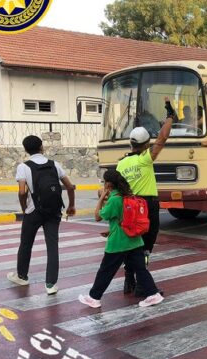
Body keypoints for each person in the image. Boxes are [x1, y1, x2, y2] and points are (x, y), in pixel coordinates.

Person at [78, 170, 163, 308]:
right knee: (141, 269)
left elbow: (98, 216)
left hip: (118, 243)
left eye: (104, 182)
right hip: (135, 240)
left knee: (106, 270)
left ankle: (94, 298)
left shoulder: (114, 199)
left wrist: (101, 197)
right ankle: (153, 294)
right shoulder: (128, 196)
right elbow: (123, 219)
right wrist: (110, 229)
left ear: (109, 185)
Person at [117, 98, 176, 297]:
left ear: (131, 143)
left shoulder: (121, 164)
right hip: (146, 208)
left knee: (133, 244)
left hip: (128, 207)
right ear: (146, 145)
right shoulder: (145, 159)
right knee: (145, 248)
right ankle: (143, 285)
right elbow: (163, 138)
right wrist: (170, 116)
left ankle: (129, 279)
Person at [6, 136, 76, 295]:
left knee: (26, 243)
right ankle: (50, 284)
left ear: (26, 150)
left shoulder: (23, 167)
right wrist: (71, 205)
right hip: (53, 211)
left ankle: (22, 276)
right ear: (41, 147)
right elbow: (70, 187)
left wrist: (24, 208)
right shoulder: (54, 164)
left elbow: (22, 191)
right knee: (52, 246)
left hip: (33, 211)